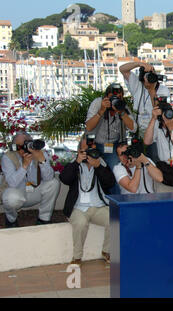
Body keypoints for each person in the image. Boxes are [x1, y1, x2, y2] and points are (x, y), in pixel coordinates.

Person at [59, 134, 116, 266]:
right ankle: (77, 256)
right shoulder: (75, 164)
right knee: (80, 223)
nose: (90, 151)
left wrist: (98, 166)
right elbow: (64, 179)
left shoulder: (101, 163)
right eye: (86, 149)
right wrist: (77, 161)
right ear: (80, 150)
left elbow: (110, 183)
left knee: (114, 219)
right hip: (78, 207)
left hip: (98, 206)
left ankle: (106, 251)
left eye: (92, 148)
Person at [1, 131, 60, 227]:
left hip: (34, 192)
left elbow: (49, 178)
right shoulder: (8, 157)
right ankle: (11, 219)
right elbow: (12, 183)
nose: (22, 149)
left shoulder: (39, 153)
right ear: (14, 146)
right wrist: (24, 166)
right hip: (16, 193)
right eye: (19, 146)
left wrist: (42, 161)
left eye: (25, 144)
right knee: (11, 198)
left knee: (54, 183)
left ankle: (44, 219)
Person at [85, 83, 137, 187]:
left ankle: (115, 199)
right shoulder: (98, 103)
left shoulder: (122, 106)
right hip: (95, 143)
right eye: (113, 97)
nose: (115, 100)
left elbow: (133, 128)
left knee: (116, 171)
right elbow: (88, 127)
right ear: (106, 96)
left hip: (113, 146)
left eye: (118, 97)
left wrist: (121, 112)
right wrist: (101, 111)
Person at [143, 87, 173, 193]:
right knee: (165, 200)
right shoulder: (156, 124)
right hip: (166, 170)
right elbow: (147, 141)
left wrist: (171, 126)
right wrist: (153, 118)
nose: (167, 117)